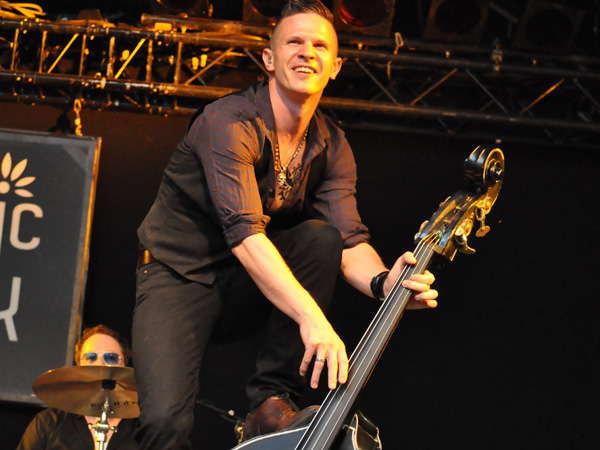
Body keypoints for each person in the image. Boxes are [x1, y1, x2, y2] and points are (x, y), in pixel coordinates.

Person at [132, 1, 438, 449]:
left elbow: (348, 239)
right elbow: (244, 235)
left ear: (335, 67)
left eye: (319, 46)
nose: (306, 52)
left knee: (320, 238)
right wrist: (312, 318)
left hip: (247, 287)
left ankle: (269, 403)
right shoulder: (228, 121)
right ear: (269, 59)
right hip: (178, 278)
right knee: (164, 424)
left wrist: (382, 283)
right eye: (294, 42)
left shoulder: (332, 144)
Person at [17, 325, 139, 450]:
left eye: (111, 358)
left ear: (125, 366)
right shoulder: (48, 422)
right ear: (78, 365)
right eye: (90, 357)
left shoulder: (143, 428)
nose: (100, 364)